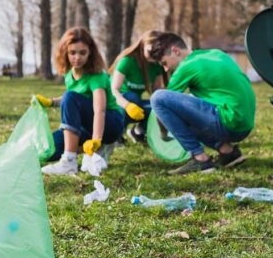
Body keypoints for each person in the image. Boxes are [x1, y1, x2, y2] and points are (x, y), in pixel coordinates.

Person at [145, 32, 256, 174]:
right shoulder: (215, 53)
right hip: (244, 124)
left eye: (164, 63)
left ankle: (199, 158)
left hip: (229, 122)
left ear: (175, 51)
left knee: (157, 98)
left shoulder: (186, 66)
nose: (166, 69)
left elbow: (163, 106)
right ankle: (228, 152)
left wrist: (163, 134)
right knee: (187, 106)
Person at [37, 27, 126, 175]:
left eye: (82, 53)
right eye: (72, 53)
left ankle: (69, 162)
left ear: (90, 52)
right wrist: (51, 102)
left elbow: (100, 110)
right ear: (65, 52)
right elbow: (75, 99)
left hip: (110, 123)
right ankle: (83, 150)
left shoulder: (96, 76)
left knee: (70, 97)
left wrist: (96, 139)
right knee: (49, 149)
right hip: (87, 124)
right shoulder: (69, 74)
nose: (77, 57)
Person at [109, 30, 166, 143]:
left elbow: (156, 92)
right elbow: (113, 91)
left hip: (136, 103)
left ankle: (138, 132)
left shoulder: (156, 66)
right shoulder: (127, 61)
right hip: (116, 104)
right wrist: (128, 106)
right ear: (143, 45)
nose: (154, 54)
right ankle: (116, 135)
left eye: (158, 51)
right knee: (132, 97)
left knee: (158, 106)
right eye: (151, 50)